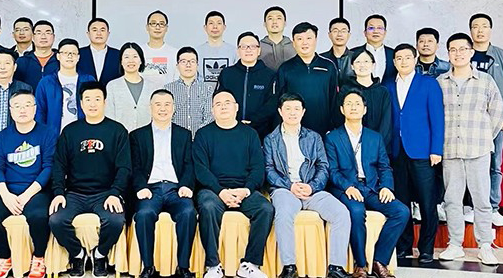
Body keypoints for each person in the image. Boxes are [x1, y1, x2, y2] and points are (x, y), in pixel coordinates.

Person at [264, 93, 351, 278]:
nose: (292, 113)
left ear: (303, 112)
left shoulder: (314, 137)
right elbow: (268, 170)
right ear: (280, 111)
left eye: (297, 109)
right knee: (283, 214)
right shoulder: (270, 139)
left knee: (341, 213)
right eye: (288, 108)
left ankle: (336, 267)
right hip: (284, 190)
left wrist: (312, 186)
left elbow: (323, 166)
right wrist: (289, 186)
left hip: (312, 190)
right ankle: (289, 267)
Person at [49, 82, 131, 277]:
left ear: (104, 102)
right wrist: (59, 193)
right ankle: (78, 255)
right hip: (75, 193)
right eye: (88, 99)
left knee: (116, 220)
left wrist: (115, 193)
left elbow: (124, 168)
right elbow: (59, 165)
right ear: (81, 103)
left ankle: (100, 255)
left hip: (105, 193)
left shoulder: (117, 131)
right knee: (56, 220)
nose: (92, 104)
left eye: (97, 99)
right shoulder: (70, 131)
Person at [325, 90, 409, 278]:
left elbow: (384, 166)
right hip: (345, 189)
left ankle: (379, 261)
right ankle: (361, 265)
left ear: (364, 110)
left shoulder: (375, 137)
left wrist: (386, 186)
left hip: (371, 188)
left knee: (401, 212)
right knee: (356, 211)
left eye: (357, 104)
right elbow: (332, 171)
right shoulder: (332, 138)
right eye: (349, 104)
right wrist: (348, 187)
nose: (353, 107)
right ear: (342, 109)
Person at [437, 33, 503, 266]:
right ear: (448, 54)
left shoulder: (485, 81)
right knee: (452, 200)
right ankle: (455, 244)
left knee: (481, 200)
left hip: (478, 149)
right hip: (450, 149)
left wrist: (483, 137)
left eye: (462, 49)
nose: (458, 54)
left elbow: (497, 113)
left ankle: (485, 245)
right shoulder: (440, 82)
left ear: (471, 52)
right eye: (453, 50)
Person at [194, 90, 274, 278]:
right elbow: (201, 169)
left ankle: (250, 264)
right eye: (218, 104)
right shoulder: (203, 134)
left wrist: (246, 190)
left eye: (227, 103)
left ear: (236, 107)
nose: (223, 107)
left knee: (265, 208)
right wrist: (220, 191)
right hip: (213, 190)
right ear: (212, 110)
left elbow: (258, 168)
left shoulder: (250, 134)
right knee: (208, 206)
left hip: (243, 189)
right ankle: (213, 265)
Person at [0, 90, 57, 278]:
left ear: (35, 109)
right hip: (8, 189)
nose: (23, 110)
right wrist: (6, 195)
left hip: (37, 190)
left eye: (27, 105)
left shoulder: (47, 133)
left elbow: (48, 167)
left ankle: (39, 257)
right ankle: (5, 257)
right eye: (17, 106)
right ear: (10, 110)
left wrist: (27, 195)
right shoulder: (2, 136)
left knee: (38, 216)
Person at [385, 44, 444, 263]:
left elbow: (437, 118)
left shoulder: (428, 84)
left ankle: (426, 247)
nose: (403, 61)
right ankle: (404, 246)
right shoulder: (387, 85)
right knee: (401, 202)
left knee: (427, 202)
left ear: (415, 59)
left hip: (422, 151)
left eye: (407, 57)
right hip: (396, 151)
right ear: (394, 62)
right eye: (399, 58)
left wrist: (436, 149)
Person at [129, 89, 196, 278]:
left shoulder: (184, 135)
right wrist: (141, 187)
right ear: (150, 108)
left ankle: (183, 267)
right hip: (150, 190)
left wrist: (186, 185)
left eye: (167, 104)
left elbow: (189, 164)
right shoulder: (137, 136)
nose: (162, 109)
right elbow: (134, 167)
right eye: (158, 104)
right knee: (144, 214)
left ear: (174, 108)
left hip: (176, 189)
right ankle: (148, 267)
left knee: (188, 213)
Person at [469, 13, 503, 227]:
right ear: (470, 30)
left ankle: (492, 208)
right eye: (475, 26)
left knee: (494, 165)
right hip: (470, 123)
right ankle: (471, 207)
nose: (480, 30)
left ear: (490, 30)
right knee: (469, 166)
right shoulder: (464, 55)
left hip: (495, 122)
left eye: (484, 26)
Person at [275, 22, 339, 137]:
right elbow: (279, 101)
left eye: (309, 38)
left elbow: (334, 99)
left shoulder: (328, 66)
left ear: (315, 40)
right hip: (293, 130)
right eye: (299, 39)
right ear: (293, 43)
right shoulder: (285, 68)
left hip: (324, 130)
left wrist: (333, 126)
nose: (304, 42)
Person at [214, 32, 277, 141]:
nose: (248, 50)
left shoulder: (269, 75)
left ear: (259, 50)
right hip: (229, 130)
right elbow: (219, 99)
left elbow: (272, 104)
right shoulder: (227, 74)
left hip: (260, 133)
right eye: (244, 47)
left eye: (252, 46)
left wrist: (253, 121)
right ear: (238, 51)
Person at [36, 39, 96, 133]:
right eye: (65, 53)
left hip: (83, 133)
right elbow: (39, 112)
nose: (70, 56)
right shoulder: (46, 82)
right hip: (54, 135)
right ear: (58, 56)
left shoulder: (88, 80)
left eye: (73, 53)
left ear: (78, 57)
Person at [340, 49, 392, 150]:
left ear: (373, 65)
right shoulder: (346, 90)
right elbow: (339, 118)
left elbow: (386, 122)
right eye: (358, 62)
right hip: (350, 145)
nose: (362, 65)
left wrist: (377, 145)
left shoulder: (382, 91)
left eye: (366, 61)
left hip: (378, 146)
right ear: (352, 66)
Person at [105, 43, 157, 132]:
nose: (131, 61)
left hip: (145, 137)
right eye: (126, 57)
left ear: (141, 60)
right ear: (121, 61)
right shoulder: (112, 86)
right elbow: (109, 115)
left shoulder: (152, 87)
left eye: (135, 57)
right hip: (121, 137)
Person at [164, 47, 215, 137]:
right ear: (177, 65)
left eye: (192, 61)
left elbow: (209, 117)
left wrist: (198, 135)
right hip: (176, 138)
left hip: (200, 138)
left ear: (197, 65)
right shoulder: (168, 89)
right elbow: (166, 116)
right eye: (183, 61)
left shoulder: (207, 89)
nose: (188, 65)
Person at [351, 15, 396, 84]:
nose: (375, 31)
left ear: (385, 33)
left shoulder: (394, 54)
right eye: (371, 28)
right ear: (365, 33)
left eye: (380, 28)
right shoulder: (352, 53)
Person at [15, 20, 60, 90]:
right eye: (39, 33)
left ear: (53, 37)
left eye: (48, 33)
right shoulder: (22, 62)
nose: (43, 37)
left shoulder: (61, 60)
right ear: (33, 37)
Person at [78, 17, 122, 87]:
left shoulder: (118, 55)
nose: (99, 33)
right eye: (94, 30)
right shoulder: (78, 54)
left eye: (102, 30)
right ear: (88, 34)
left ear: (108, 33)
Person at [196, 11, 236, 83]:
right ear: (205, 27)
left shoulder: (234, 51)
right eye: (211, 23)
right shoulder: (197, 52)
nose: (215, 26)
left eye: (219, 23)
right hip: (202, 90)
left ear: (224, 27)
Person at [142, 11, 177, 83]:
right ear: (147, 27)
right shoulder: (138, 52)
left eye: (161, 24)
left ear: (166, 28)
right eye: (153, 23)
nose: (157, 27)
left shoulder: (175, 53)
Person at [321, 17, 355, 85]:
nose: (339, 34)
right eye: (335, 31)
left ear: (349, 35)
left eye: (343, 31)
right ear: (329, 35)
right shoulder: (321, 59)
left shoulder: (356, 58)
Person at [259, 6, 294, 71]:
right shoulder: (257, 47)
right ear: (265, 24)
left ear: (285, 23)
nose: (274, 21)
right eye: (270, 18)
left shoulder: (295, 46)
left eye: (278, 18)